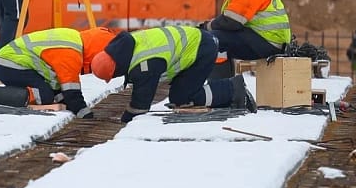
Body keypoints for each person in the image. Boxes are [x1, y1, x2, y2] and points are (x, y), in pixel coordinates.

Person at [91, 25, 257, 123]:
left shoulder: (143, 64)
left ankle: (234, 89)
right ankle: (229, 90)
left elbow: (141, 102)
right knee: (178, 96)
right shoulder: (127, 47)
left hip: (200, 49)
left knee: (185, 98)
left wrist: (126, 118)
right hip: (196, 43)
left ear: (115, 69)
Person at [0, 26, 116, 118]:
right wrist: (84, 114)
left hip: (10, 62)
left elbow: (58, 85)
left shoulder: (74, 40)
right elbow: (71, 92)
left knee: (47, 92)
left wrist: (65, 101)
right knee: (43, 96)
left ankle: (5, 94)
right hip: (11, 63)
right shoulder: (71, 53)